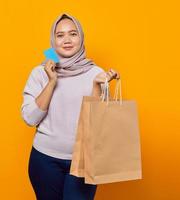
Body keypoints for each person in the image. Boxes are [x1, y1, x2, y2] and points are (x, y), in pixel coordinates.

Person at [21, 13, 119, 200]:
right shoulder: (40, 73)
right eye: (60, 35)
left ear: (81, 37)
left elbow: (100, 127)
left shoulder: (96, 73)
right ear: (53, 40)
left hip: (84, 160)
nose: (67, 40)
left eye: (73, 34)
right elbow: (30, 118)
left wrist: (98, 87)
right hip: (44, 160)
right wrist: (51, 82)